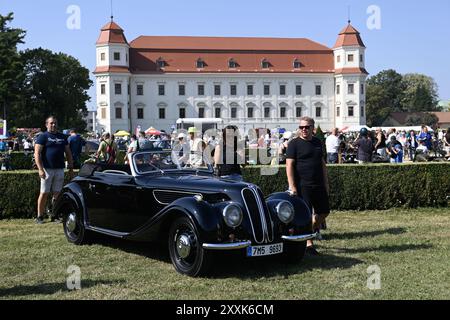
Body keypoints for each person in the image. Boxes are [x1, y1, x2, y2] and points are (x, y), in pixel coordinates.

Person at [286, 117, 330, 255]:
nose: (303, 130)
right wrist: (292, 185)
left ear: (313, 128)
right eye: (301, 127)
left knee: (324, 212)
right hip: (302, 185)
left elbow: (322, 163)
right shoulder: (294, 144)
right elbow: (289, 165)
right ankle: (309, 244)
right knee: (306, 214)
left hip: (318, 184)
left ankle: (311, 230)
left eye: (306, 127)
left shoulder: (317, 142)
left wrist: (326, 182)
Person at [35, 116, 74, 224]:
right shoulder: (43, 136)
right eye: (51, 123)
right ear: (46, 124)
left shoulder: (63, 137)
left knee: (57, 194)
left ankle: (54, 215)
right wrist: (40, 169)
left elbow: (68, 153)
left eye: (55, 123)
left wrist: (71, 168)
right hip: (47, 169)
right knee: (44, 193)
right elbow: (37, 153)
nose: (53, 125)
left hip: (59, 169)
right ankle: (39, 216)